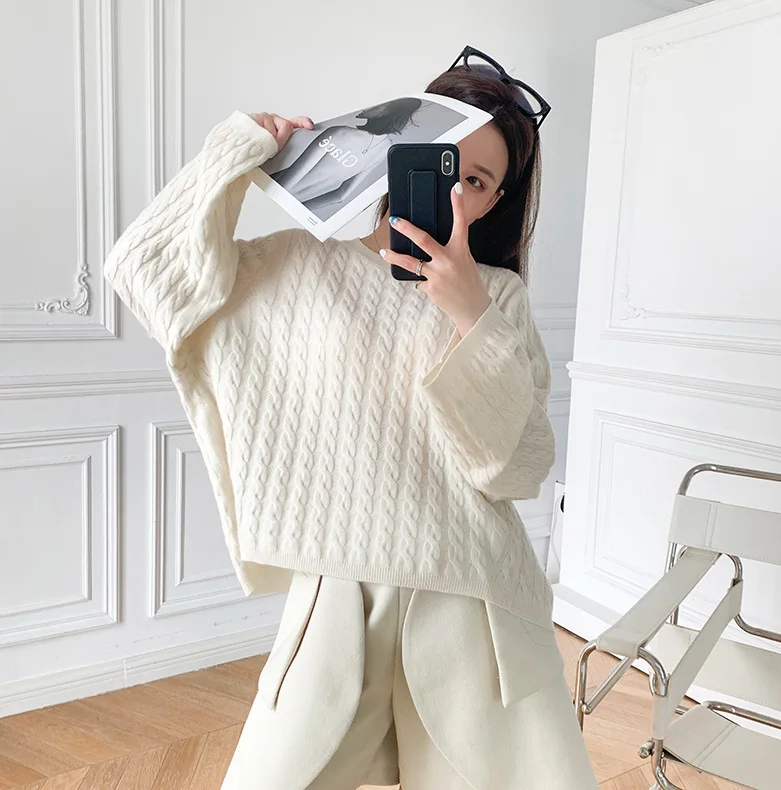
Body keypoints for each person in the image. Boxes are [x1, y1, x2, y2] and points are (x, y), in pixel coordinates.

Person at [103, 44, 599, 790]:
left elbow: (518, 467)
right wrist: (237, 150)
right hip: (337, 598)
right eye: (440, 160)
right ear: (397, 152)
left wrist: (472, 317)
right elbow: (144, 271)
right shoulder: (292, 266)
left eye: (476, 180)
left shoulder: (499, 297)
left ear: (494, 202)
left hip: (478, 601)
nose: (453, 188)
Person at [265, 98, 423, 219]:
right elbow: (341, 196)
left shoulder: (340, 132)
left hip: (271, 191)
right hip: (294, 206)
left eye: (379, 105)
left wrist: (270, 201)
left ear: (385, 112)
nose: (370, 107)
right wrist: (301, 210)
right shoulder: (386, 150)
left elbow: (297, 171)